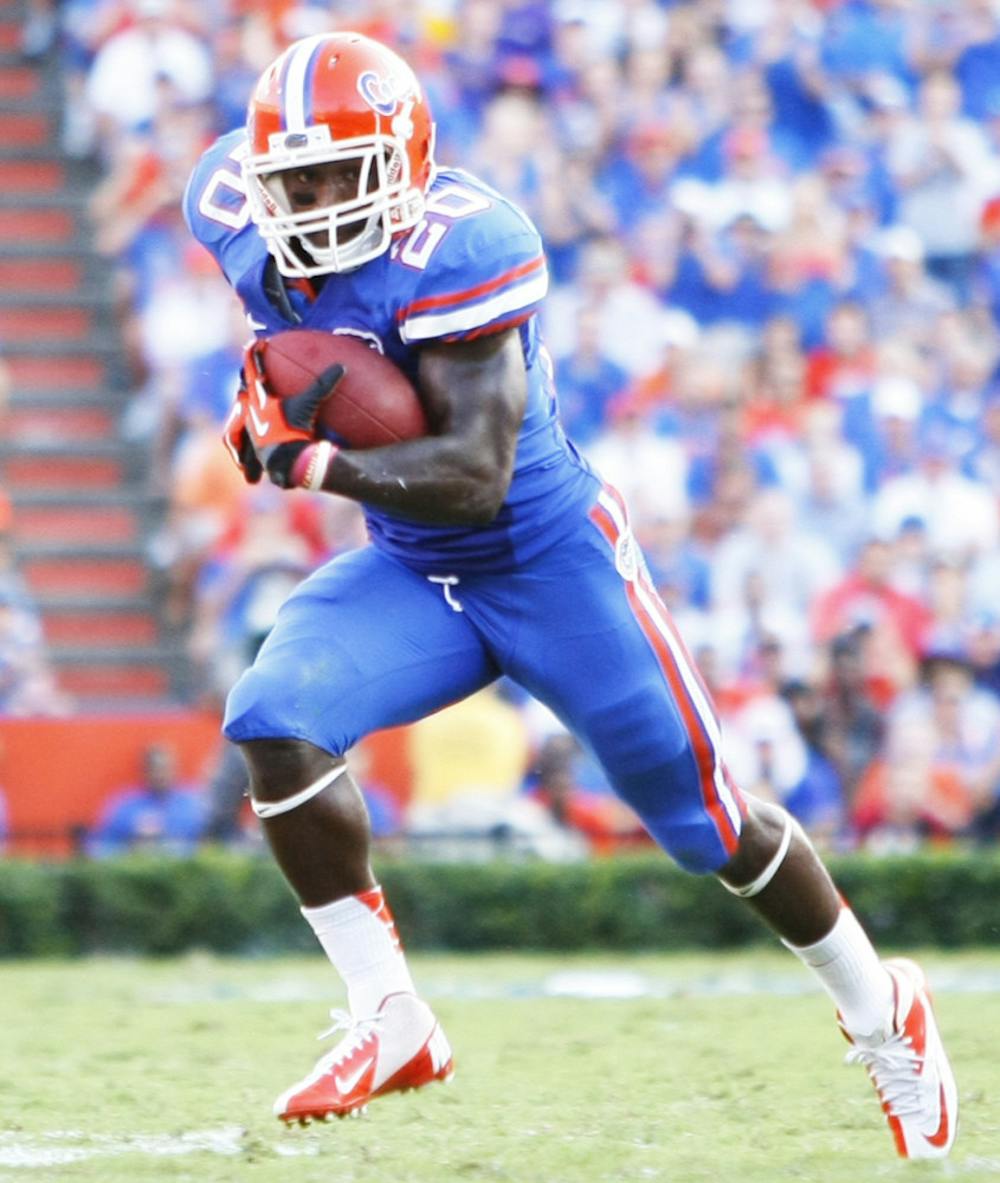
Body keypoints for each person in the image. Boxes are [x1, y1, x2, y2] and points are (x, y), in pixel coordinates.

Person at [183, 32, 957, 1156]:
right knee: (274, 720)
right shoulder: (235, 218)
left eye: (333, 176)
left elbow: (473, 476)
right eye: (288, 179)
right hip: (412, 570)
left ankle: (878, 1006)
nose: (304, 201)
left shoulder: (465, 244)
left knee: (710, 823)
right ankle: (390, 1014)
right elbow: (294, 373)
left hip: (547, 558)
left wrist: (309, 462)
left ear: (398, 166)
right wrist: (260, 409)